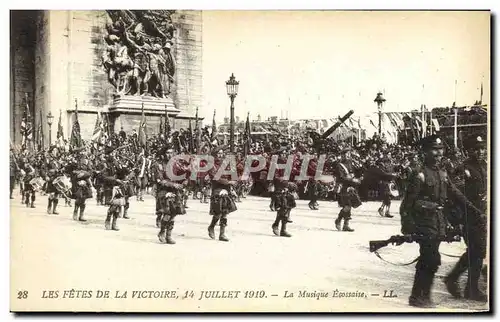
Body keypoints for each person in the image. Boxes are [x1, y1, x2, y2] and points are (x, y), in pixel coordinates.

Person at [400, 135, 484, 308]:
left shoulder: (442, 173)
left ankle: (423, 295)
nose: (438, 153)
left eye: (440, 149)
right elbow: (407, 205)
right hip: (424, 222)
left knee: (432, 259)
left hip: (438, 222)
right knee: (429, 258)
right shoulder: (419, 174)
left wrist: (475, 211)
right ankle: (417, 296)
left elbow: (457, 195)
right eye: (434, 149)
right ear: (424, 152)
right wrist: (408, 227)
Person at [444, 135, 488, 302]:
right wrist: (460, 219)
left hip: (483, 215)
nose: (480, 151)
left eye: (482, 148)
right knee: (477, 251)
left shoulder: (484, 166)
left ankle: (456, 280)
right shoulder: (463, 169)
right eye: (476, 149)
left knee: (477, 251)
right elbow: (456, 195)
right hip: (469, 216)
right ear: (468, 151)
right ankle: (470, 288)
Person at [334, 147, 362, 232]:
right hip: (343, 187)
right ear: (342, 155)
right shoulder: (339, 165)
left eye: (349, 154)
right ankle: (338, 219)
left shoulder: (351, 163)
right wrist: (353, 180)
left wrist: (360, 166)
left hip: (351, 187)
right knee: (347, 206)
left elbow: (357, 172)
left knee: (350, 206)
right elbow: (342, 178)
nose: (348, 155)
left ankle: (346, 225)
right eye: (346, 154)